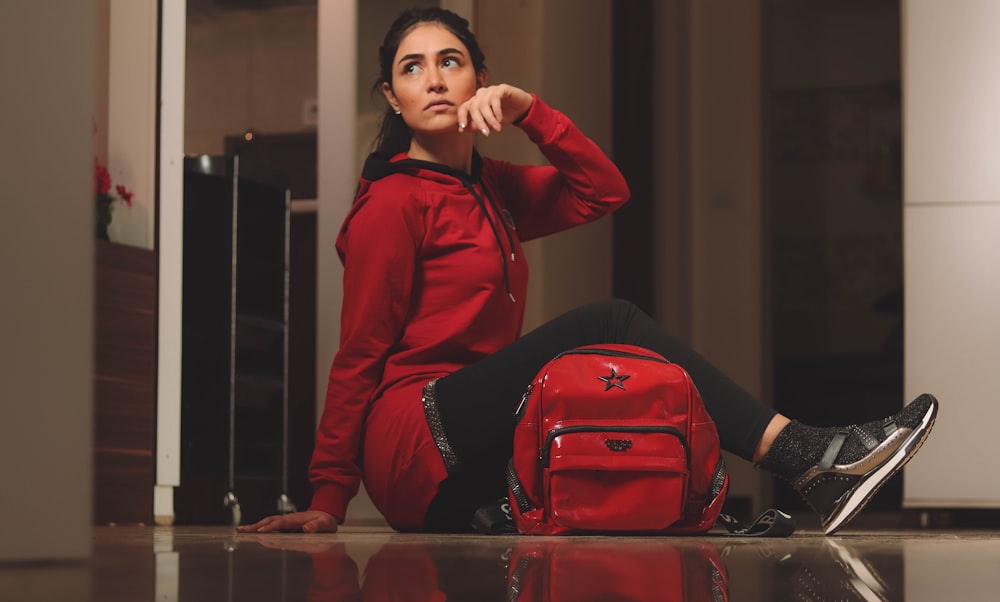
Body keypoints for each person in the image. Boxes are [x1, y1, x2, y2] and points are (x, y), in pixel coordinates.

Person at [239, 7, 937, 536]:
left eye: (450, 61)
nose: (434, 79)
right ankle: (807, 457)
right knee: (606, 323)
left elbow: (603, 190)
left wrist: (531, 112)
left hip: (483, 444)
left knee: (604, 383)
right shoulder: (392, 203)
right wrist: (328, 497)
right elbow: (358, 353)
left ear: (481, 79)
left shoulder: (493, 188)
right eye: (411, 68)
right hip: (415, 444)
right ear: (392, 98)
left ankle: (737, 491)